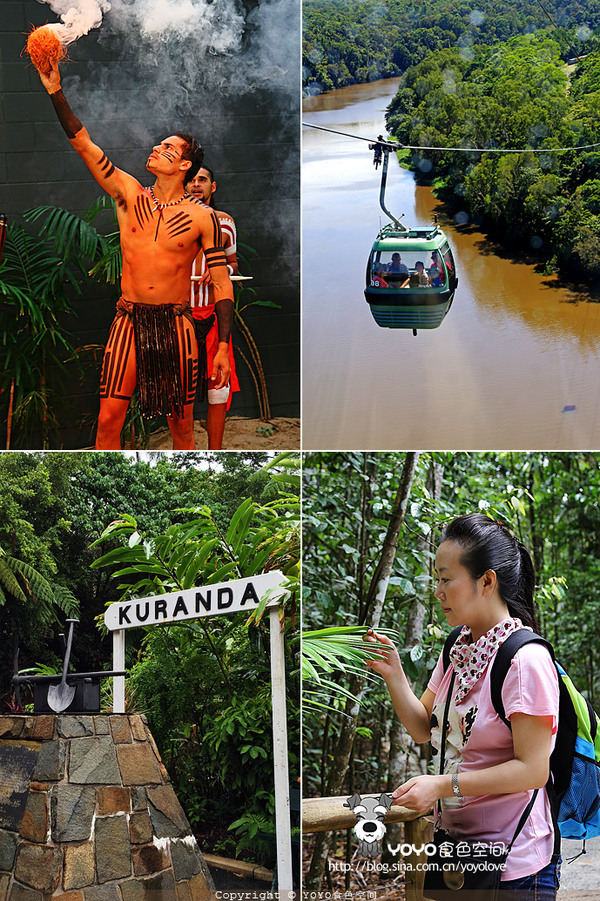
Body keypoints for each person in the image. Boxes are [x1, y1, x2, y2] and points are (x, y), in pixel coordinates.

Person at [33, 58, 234, 450]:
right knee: (108, 419)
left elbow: (222, 284)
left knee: (181, 429)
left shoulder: (202, 218)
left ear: (186, 164)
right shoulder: (128, 194)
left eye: (168, 147)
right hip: (128, 320)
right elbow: (84, 144)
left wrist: (223, 346)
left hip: (176, 326)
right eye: (159, 144)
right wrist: (55, 90)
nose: (157, 148)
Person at [366, 514, 560, 897]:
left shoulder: (524, 661)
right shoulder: (459, 648)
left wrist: (441, 785)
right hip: (461, 856)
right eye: (436, 579)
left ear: (486, 581)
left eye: (445, 578)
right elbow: (424, 727)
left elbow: (534, 770)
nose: (437, 591)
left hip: (515, 867)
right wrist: (394, 674)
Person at [187, 166, 240, 450]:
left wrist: (220, 271)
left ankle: (215, 451)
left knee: (218, 391)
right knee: (180, 391)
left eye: (202, 180)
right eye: (192, 181)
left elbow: (233, 265)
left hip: (213, 315)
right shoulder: (172, 221)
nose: (196, 185)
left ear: (213, 186)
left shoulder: (225, 223)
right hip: (180, 315)